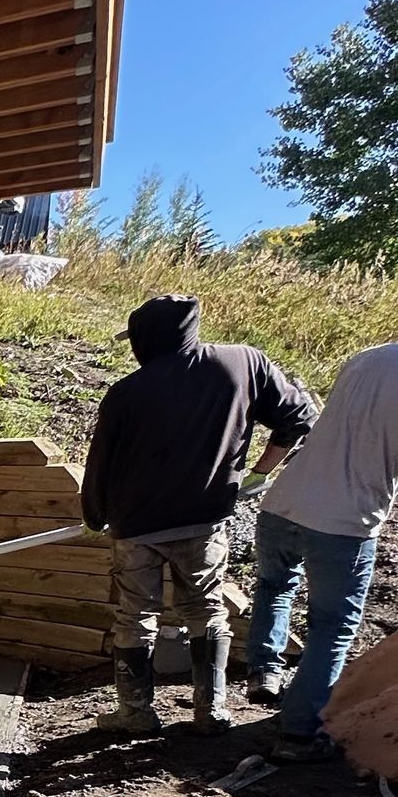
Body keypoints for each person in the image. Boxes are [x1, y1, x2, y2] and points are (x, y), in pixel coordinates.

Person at [81, 295, 316, 735]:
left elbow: (101, 463)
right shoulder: (243, 363)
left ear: (146, 339)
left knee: (135, 615)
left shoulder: (128, 392)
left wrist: (95, 515)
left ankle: (136, 713)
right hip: (204, 520)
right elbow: (299, 418)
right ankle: (212, 711)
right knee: (206, 610)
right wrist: (257, 474)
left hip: (136, 526)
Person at [246, 338, 398, 760]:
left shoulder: (367, 357)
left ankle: (264, 673)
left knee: (275, 587)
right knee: (332, 629)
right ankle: (299, 735)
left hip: (284, 502)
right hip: (344, 520)